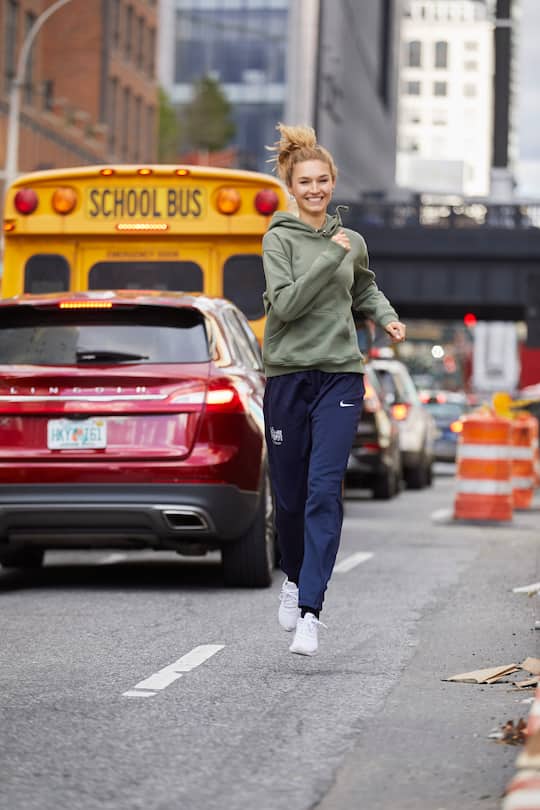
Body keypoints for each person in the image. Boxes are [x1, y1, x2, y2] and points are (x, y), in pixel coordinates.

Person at [262, 123, 406, 656]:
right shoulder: (278, 239)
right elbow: (285, 306)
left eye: (323, 180)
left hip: (341, 376)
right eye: (306, 182)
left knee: (325, 491)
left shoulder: (354, 243)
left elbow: (364, 285)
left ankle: (310, 610)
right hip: (287, 376)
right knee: (292, 497)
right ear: (291, 185)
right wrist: (327, 258)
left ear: (332, 182)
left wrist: (386, 317)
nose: (316, 189)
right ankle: (295, 576)